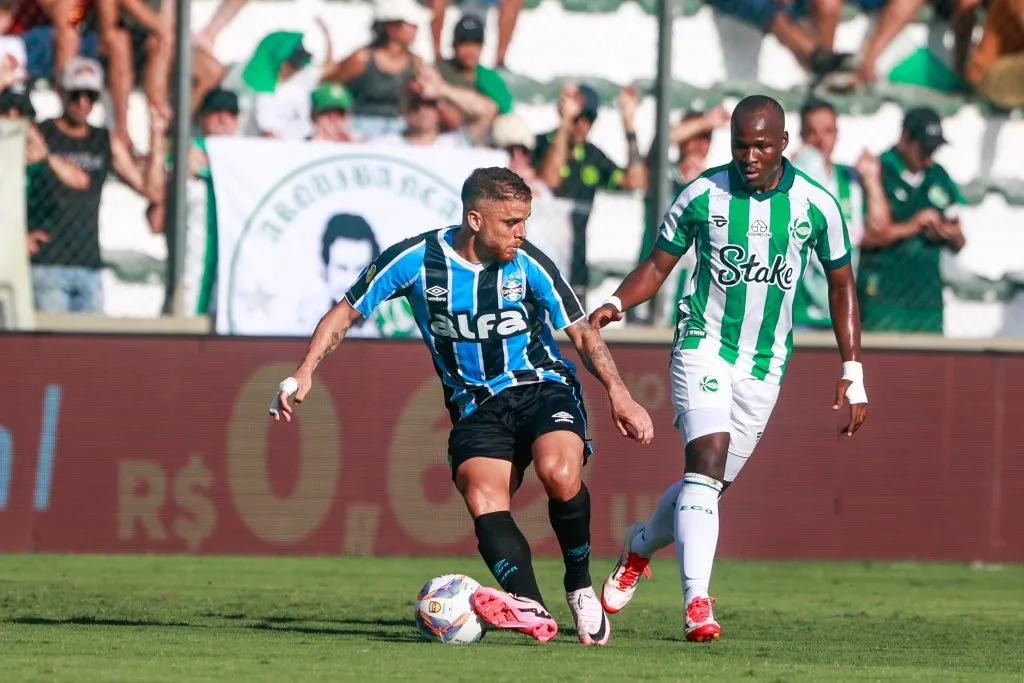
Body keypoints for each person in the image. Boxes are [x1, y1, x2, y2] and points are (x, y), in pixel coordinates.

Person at [269, 167, 654, 646]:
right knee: (483, 499)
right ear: (475, 219)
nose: (522, 233)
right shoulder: (416, 259)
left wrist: (619, 392)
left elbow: (581, 332)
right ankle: (531, 609)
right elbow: (343, 313)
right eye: (511, 222)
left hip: (541, 387)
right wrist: (305, 370)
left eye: (526, 220)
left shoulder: (529, 262)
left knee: (558, 472)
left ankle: (578, 585)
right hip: (475, 406)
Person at [589, 95, 869, 642]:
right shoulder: (702, 195)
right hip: (704, 345)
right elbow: (657, 264)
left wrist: (853, 370)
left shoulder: (817, 206)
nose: (749, 156)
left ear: (784, 144)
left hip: (764, 366)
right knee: (707, 457)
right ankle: (698, 603)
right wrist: (618, 304)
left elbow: (842, 285)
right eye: (740, 144)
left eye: (761, 145)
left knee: (707, 484)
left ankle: (640, 546)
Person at [857, 107, 966, 333]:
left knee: (927, 367)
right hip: (884, 303)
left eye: (933, 150)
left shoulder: (939, 176)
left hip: (927, 304)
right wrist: (912, 226)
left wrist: (949, 233)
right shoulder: (878, 171)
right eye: (924, 149)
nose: (928, 158)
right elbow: (864, 236)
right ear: (906, 138)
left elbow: (960, 239)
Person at [790, 98, 890, 331]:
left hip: (840, 311)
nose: (820, 140)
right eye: (812, 132)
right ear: (802, 135)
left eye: (827, 131)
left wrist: (872, 180)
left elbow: (880, 228)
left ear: (837, 133)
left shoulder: (850, 179)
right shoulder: (790, 178)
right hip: (799, 313)